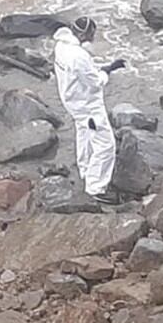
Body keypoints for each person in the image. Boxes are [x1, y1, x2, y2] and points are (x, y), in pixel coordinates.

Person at [52, 16, 125, 204]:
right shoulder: (79, 56)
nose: (93, 37)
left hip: (72, 102)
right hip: (88, 107)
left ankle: (85, 169)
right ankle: (96, 187)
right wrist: (107, 71)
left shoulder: (61, 46)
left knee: (84, 133)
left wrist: (99, 69)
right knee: (106, 145)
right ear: (84, 33)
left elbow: (79, 73)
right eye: (92, 33)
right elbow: (94, 83)